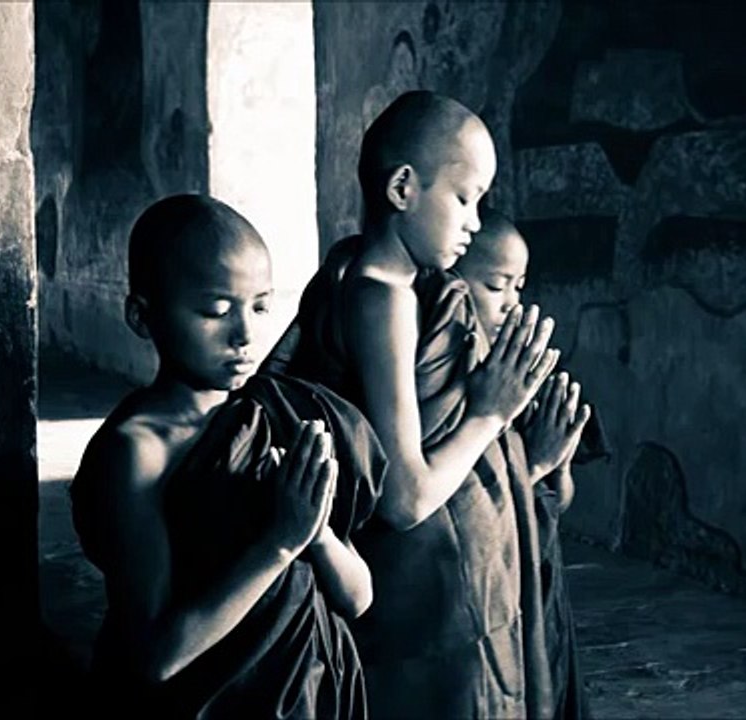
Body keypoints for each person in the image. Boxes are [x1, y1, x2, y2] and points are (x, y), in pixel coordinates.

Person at [264, 90, 563, 719]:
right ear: (403, 187)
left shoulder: (355, 272)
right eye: (465, 198)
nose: (476, 222)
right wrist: (491, 411)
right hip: (422, 593)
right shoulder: (383, 297)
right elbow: (405, 498)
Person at [70, 194, 381, 718]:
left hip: (308, 692)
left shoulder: (275, 419)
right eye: (216, 311)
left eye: (260, 306)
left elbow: (356, 599)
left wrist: (315, 531)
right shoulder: (136, 452)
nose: (245, 335)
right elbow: (155, 657)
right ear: (142, 316)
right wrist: (279, 545)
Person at [454, 207, 594, 719]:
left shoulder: (524, 369)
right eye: (497, 286)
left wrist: (556, 460)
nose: (513, 304)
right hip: (488, 585)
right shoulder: (448, 378)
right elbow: (459, 509)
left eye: (520, 287)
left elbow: (559, 500)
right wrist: (529, 468)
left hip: (540, 573)